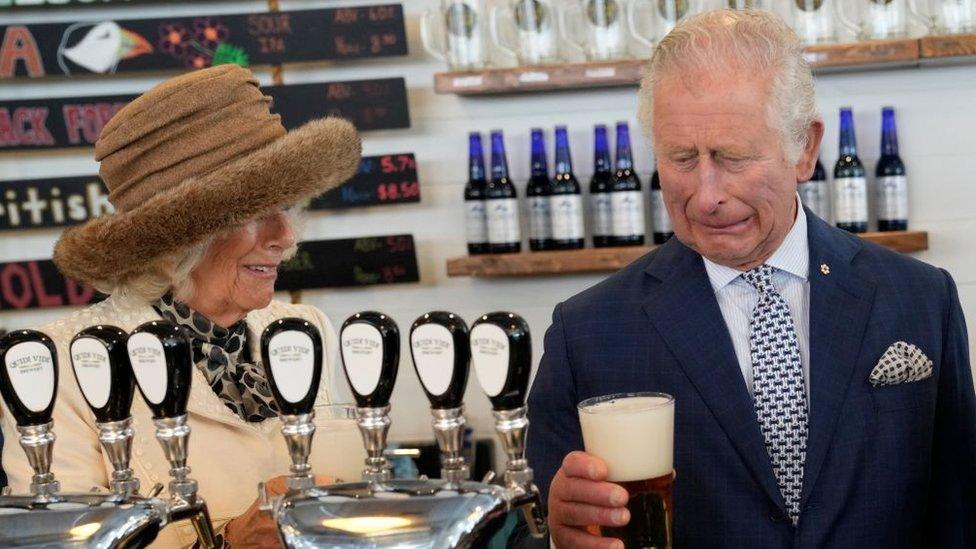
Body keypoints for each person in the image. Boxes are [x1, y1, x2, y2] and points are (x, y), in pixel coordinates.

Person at [515, 9, 975, 549]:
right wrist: (557, 540)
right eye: (682, 158)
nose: (706, 195)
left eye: (732, 157)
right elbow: (544, 529)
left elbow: (960, 516)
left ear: (804, 148)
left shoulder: (919, 299)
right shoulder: (586, 334)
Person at [0, 64, 362, 548]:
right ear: (182, 239)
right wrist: (230, 543)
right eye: (257, 214)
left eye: (289, 206)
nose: (285, 237)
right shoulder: (58, 361)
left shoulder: (303, 327)